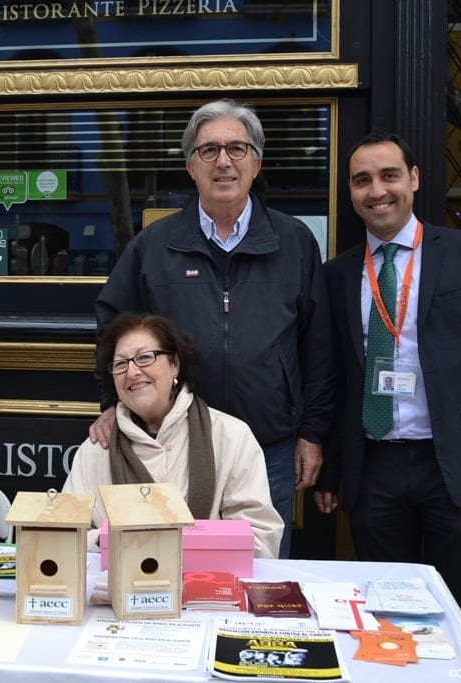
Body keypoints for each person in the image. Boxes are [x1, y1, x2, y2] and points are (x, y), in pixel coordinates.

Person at [314, 132, 461, 662]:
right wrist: (331, 471)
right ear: (350, 191)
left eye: (389, 175)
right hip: (375, 467)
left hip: (454, 464)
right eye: (362, 180)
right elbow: (334, 378)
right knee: (389, 613)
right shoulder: (338, 273)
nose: (377, 191)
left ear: (413, 179)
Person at [91, 99, 333, 558]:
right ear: (190, 166)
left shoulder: (295, 242)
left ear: (256, 163)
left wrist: (312, 433)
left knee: (258, 574)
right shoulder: (155, 246)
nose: (224, 161)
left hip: (270, 448)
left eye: (237, 149)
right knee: (165, 569)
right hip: (173, 449)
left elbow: (318, 347)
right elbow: (113, 327)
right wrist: (112, 401)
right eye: (209, 151)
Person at [64, 313, 284, 558]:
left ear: (175, 364)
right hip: (120, 592)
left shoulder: (231, 437)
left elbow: (261, 540)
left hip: (209, 591)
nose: (133, 371)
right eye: (120, 364)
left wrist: (177, 544)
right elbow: (66, 536)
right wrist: (113, 539)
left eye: (145, 357)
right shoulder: (96, 449)